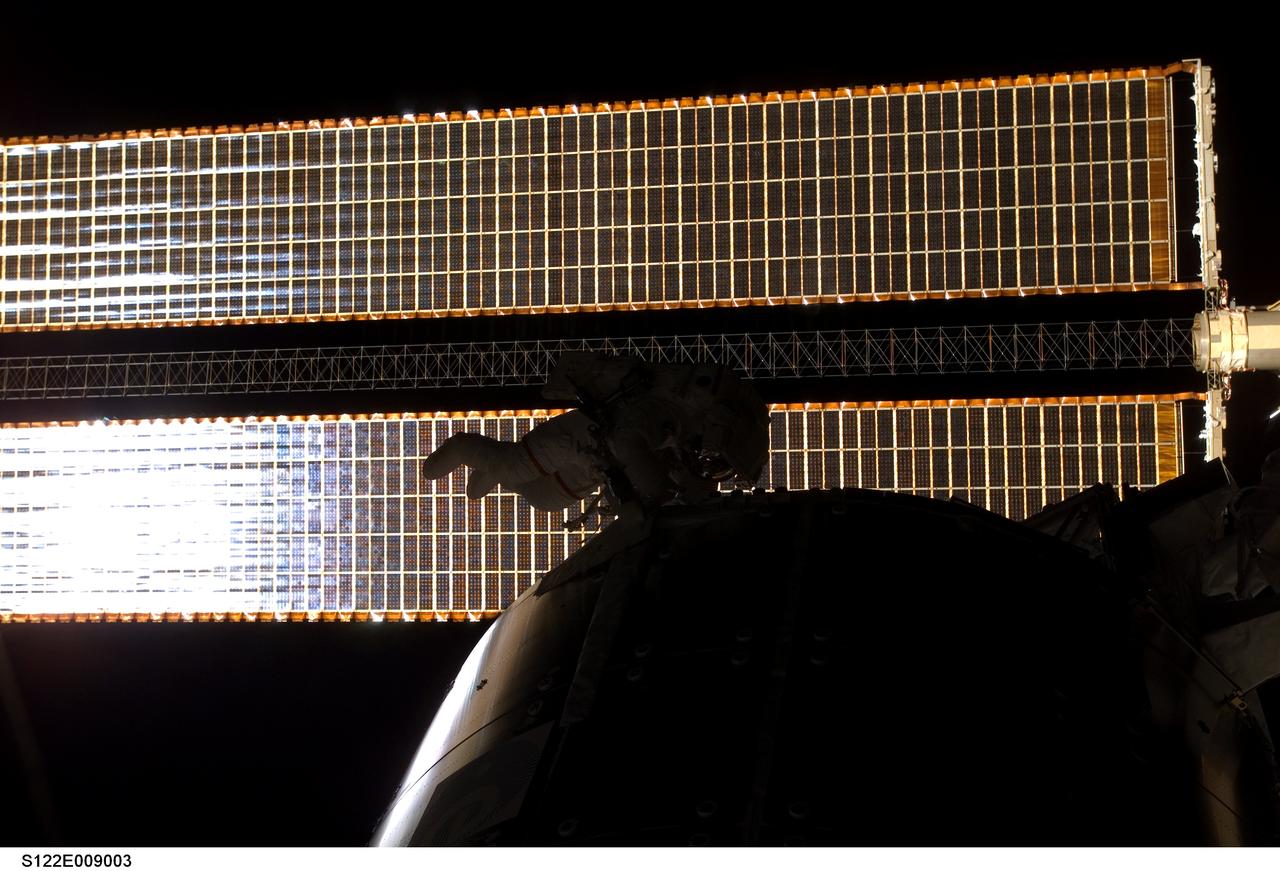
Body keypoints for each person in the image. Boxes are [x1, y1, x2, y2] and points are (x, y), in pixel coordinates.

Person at [419, 352, 769, 513]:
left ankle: (492, 472)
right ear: (719, 428)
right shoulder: (662, 413)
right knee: (513, 465)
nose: (709, 466)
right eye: (716, 462)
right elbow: (627, 441)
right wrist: (658, 495)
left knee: (545, 500)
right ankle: (464, 448)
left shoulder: (680, 434)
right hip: (578, 438)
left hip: (594, 463)